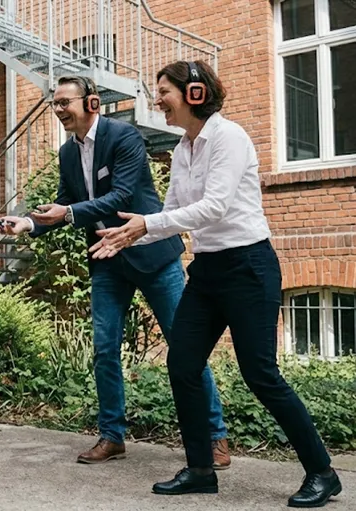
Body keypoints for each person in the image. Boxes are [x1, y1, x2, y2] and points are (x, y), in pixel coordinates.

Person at [90, 60, 342, 507]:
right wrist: (133, 233)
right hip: (207, 271)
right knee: (183, 365)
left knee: (260, 373)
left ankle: (322, 472)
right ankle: (201, 469)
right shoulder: (183, 147)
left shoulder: (229, 137)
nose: (157, 101)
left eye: (164, 91)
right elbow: (171, 211)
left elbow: (216, 207)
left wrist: (147, 224)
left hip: (249, 268)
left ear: (194, 94)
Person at [0, 75, 231, 468]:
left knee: (186, 346)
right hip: (106, 258)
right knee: (104, 348)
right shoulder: (68, 153)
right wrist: (29, 224)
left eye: (64, 102)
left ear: (92, 104)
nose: (58, 110)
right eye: (55, 104)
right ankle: (112, 435)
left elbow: (120, 196)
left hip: (152, 256)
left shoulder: (124, 137)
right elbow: (67, 203)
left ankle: (215, 436)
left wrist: (67, 213)